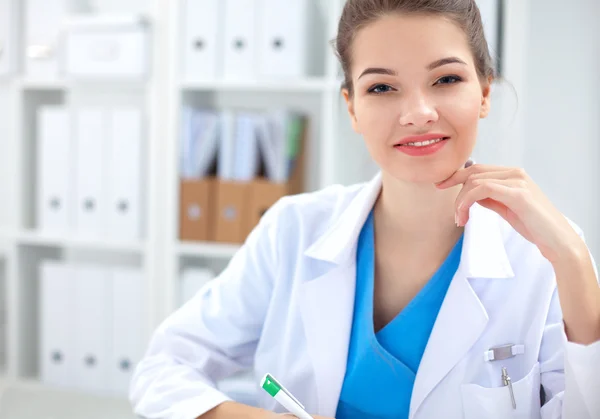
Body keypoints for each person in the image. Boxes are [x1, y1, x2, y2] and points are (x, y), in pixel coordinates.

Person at [130, 1, 600, 418]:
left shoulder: (545, 254)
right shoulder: (294, 230)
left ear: (484, 93)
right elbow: (164, 366)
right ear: (351, 108)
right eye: (381, 88)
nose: (417, 112)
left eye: (446, 79)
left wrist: (575, 262)